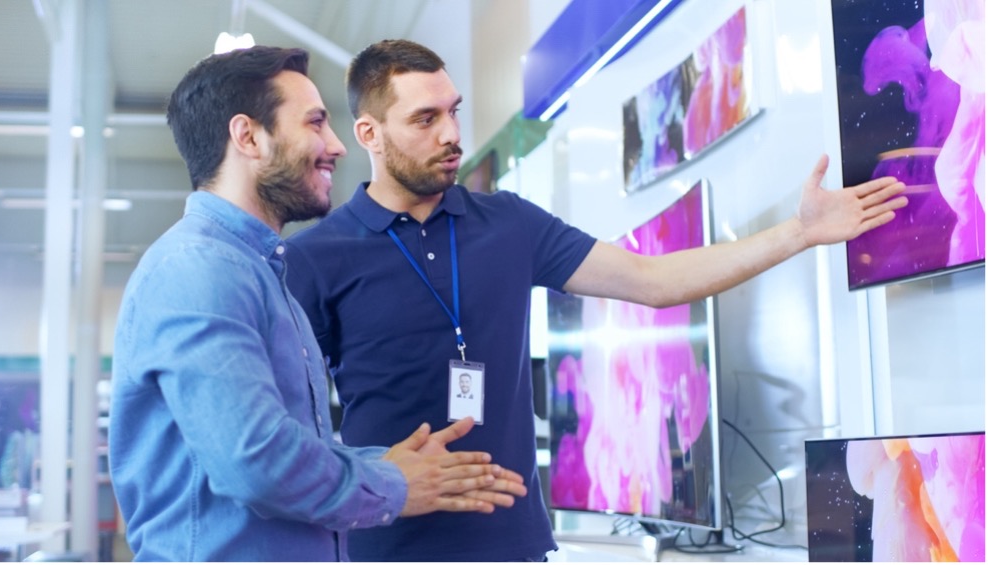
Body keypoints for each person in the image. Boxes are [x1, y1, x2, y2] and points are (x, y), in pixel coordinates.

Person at [284, 39, 908, 561]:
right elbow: (283, 424)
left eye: (454, 111)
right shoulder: (316, 257)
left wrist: (799, 233)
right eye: (426, 120)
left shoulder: (509, 223)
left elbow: (653, 281)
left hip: (512, 542)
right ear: (368, 132)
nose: (451, 134)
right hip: (384, 547)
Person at [107, 45, 527, 562]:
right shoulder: (200, 269)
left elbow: (275, 446)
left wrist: (386, 465)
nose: (337, 145)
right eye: (315, 123)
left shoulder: (260, 272)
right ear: (249, 137)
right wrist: (393, 485)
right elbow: (256, 463)